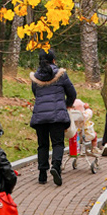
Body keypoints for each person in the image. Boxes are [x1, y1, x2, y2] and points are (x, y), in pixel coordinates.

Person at [30, 48, 76, 186]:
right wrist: (65, 105)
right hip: (57, 117)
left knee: (42, 145)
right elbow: (72, 93)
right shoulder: (61, 75)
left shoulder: (35, 77)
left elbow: (36, 94)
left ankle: (42, 174)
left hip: (40, 116)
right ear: (54, 60)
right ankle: (55, 167)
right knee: (57, 143)